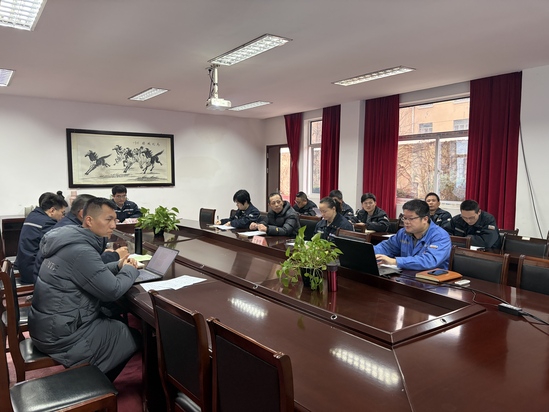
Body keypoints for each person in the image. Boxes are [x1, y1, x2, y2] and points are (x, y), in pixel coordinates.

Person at [28, 197, 141, 382]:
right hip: (61, 335)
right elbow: (112, 291)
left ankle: (97, 375)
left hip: (48, 325)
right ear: (89, 220)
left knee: (114, 318)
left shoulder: (70, 240)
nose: (114, 225)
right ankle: (96, 385)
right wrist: (130, 270)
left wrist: (118, 265)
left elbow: (90, 272)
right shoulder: (81, 250)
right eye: (108, 219)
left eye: (115, 219)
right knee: (132, 335)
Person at [31, 194, 127, 283]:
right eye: (107, 219)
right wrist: (115, 255)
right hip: (59, 287)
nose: (113, 225)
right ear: (83, 214)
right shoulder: (70, 232)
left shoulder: (71, 225)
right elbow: (87, 263)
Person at [374, 199, 452, 270]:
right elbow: (387, 247)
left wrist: (395, 261)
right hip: (407, 275)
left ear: (425, 219)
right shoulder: (403, 233)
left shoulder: (440, 236)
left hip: (432, 278)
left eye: (411, 218)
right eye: (405, 218)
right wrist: (370, 252)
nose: (406, 222)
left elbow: (428, 261)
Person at [15, 191, 68, 284]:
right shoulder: (47, 223)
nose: (63, 217)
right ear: (52, 210)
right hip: (33, 271)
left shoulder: (33, 215)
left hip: (24, 265)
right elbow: (57, 245)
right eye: (62, 213)